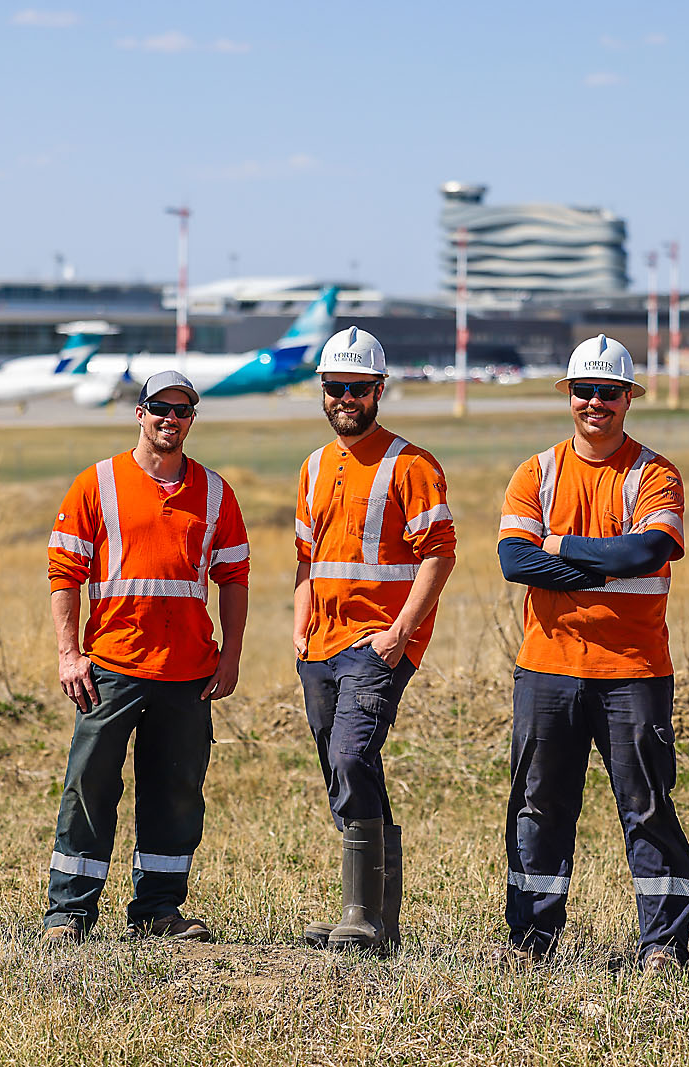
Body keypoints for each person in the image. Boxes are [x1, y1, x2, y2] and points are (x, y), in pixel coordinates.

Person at [496, 334, 689, 973]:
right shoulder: (536, 472)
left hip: (634, 671)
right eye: (585, 390)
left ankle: (663, 947)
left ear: (628, 399)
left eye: (609, 392)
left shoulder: (655, 473)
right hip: (547, 668)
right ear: (570, 395)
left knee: (648, 808)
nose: (595, 403)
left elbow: (647, 551)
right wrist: (604, 561)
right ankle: (532, 942)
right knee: (539, 807)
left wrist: (557, 548)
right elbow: (513, 561)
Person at [41, 370, 249, 943]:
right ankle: (69, 914)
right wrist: (68, 653)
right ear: (139, 413)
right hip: (110, 668)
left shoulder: (214, 492)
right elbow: (64, 572)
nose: (170, 419)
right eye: (160, 407)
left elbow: (233, 577)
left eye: (182, 410)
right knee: (89, 788)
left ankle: (158, 910)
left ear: (192, 418)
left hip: (188, 673)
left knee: (176, 794)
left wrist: (231, 654)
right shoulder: (97, 484)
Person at [295, 327, 456, 955]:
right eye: (335, 387)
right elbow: (307, 556)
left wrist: (399, 634)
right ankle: (372, 920)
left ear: (379, 390)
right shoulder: (314, 466)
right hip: (320, 646)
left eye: (357, 388)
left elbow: (439, 555)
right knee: (342, 767)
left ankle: (363, 914)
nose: (346, 399)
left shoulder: (412, 465)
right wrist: (300, 626)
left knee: (351, 756)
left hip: (377, 644)